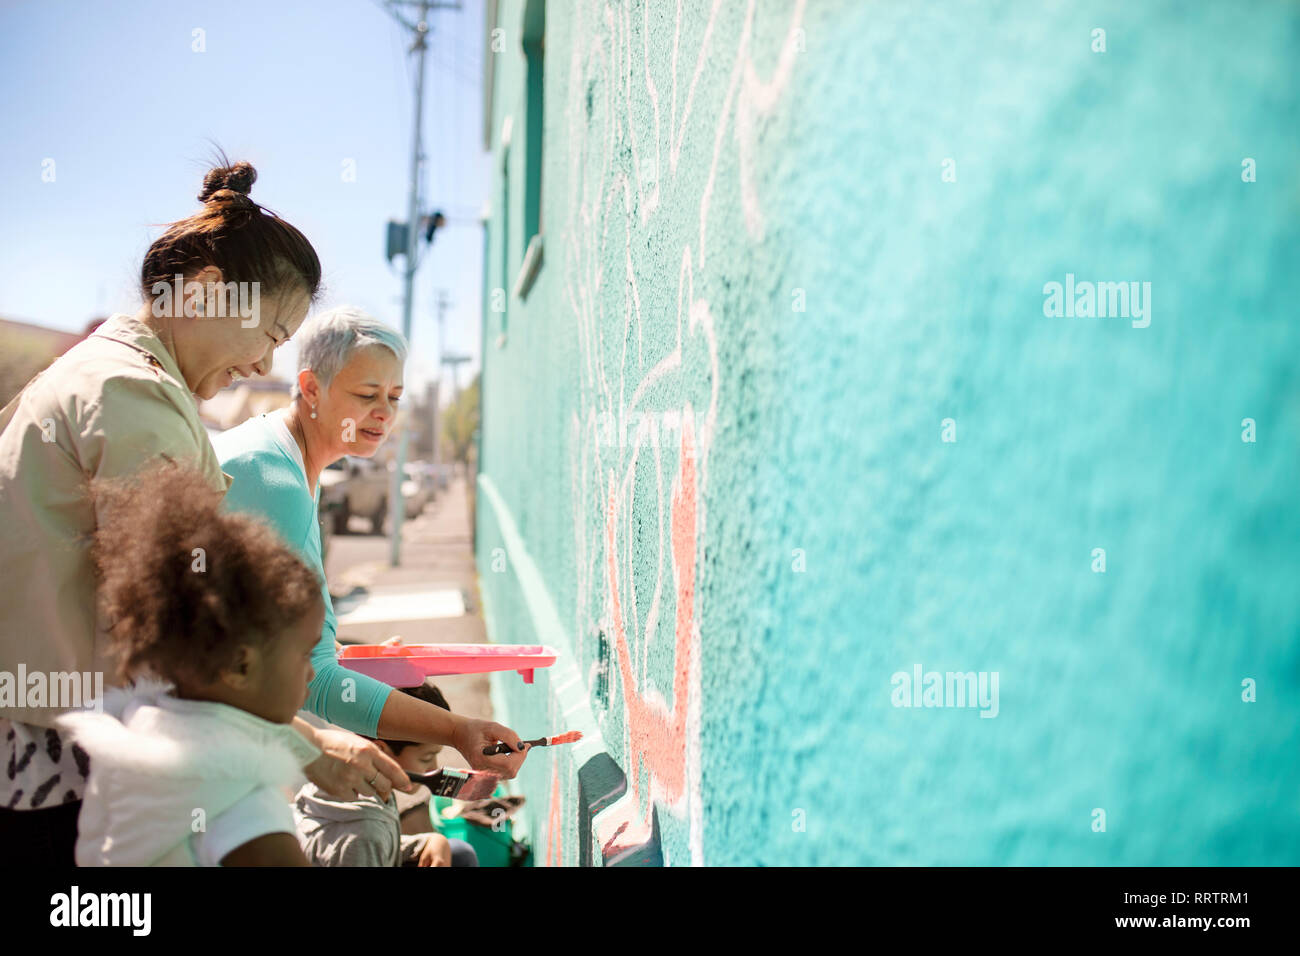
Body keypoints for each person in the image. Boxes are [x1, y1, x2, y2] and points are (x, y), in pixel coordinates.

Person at [0, 155, 324, 865]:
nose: (264, 366)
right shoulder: (135, 396)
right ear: (208, 293)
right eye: (270, 335)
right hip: (66, 752)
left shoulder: (108, 371)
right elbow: (187, 618)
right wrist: (305, 741)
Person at [211, 307, 528, 793]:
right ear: (311, 388)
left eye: (394, 397)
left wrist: (362, 657)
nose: (384, 412)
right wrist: (456, 730)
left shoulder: (281, 455)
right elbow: (313, 680)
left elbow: (278, 638)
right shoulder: (274, 479)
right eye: (366, 395)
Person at [59, 463, 324, 866]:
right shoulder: (241, 801)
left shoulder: (136, 739)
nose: (312, 672)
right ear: (239, 665)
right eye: (305, 653)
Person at [294, 682, 478, 867]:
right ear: (379, 751)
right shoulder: (364, 833)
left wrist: (428, 842)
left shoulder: (361, 785)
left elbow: (379, 848)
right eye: (426, 758)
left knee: (459, 853)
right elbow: (369, 845)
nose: (434, 768)